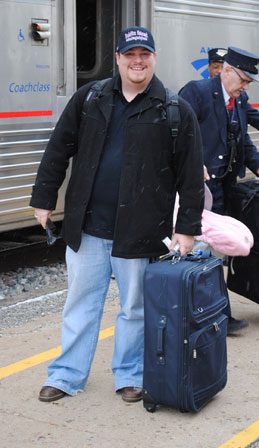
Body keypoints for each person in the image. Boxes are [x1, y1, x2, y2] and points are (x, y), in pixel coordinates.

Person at [30, 26, 204, 403]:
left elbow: (191, 175)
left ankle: (129, 374)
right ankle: (66, 375)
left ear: (154, 58)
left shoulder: (174, 109)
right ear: (118, 58)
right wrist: (43, 198)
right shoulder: (91, 97)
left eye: (144, 55)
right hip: (88, 226)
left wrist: (187, 229)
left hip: (141, 230)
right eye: (130, 55)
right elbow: (59, 147)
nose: (137, 62)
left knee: (135, 309)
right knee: (80, 304)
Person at [180, 46, 259, 334]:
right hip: (199, 189)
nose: (246, 88)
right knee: (198, 251)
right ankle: (199, 316)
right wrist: (193, 163)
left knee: (216, 253)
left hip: (224, 186)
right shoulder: (196, 92)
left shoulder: (238, 98)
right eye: (244, 80)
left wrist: (258, 164)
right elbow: (176, 134)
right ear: (227, 71)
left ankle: (217, 315)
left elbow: (242, 138)